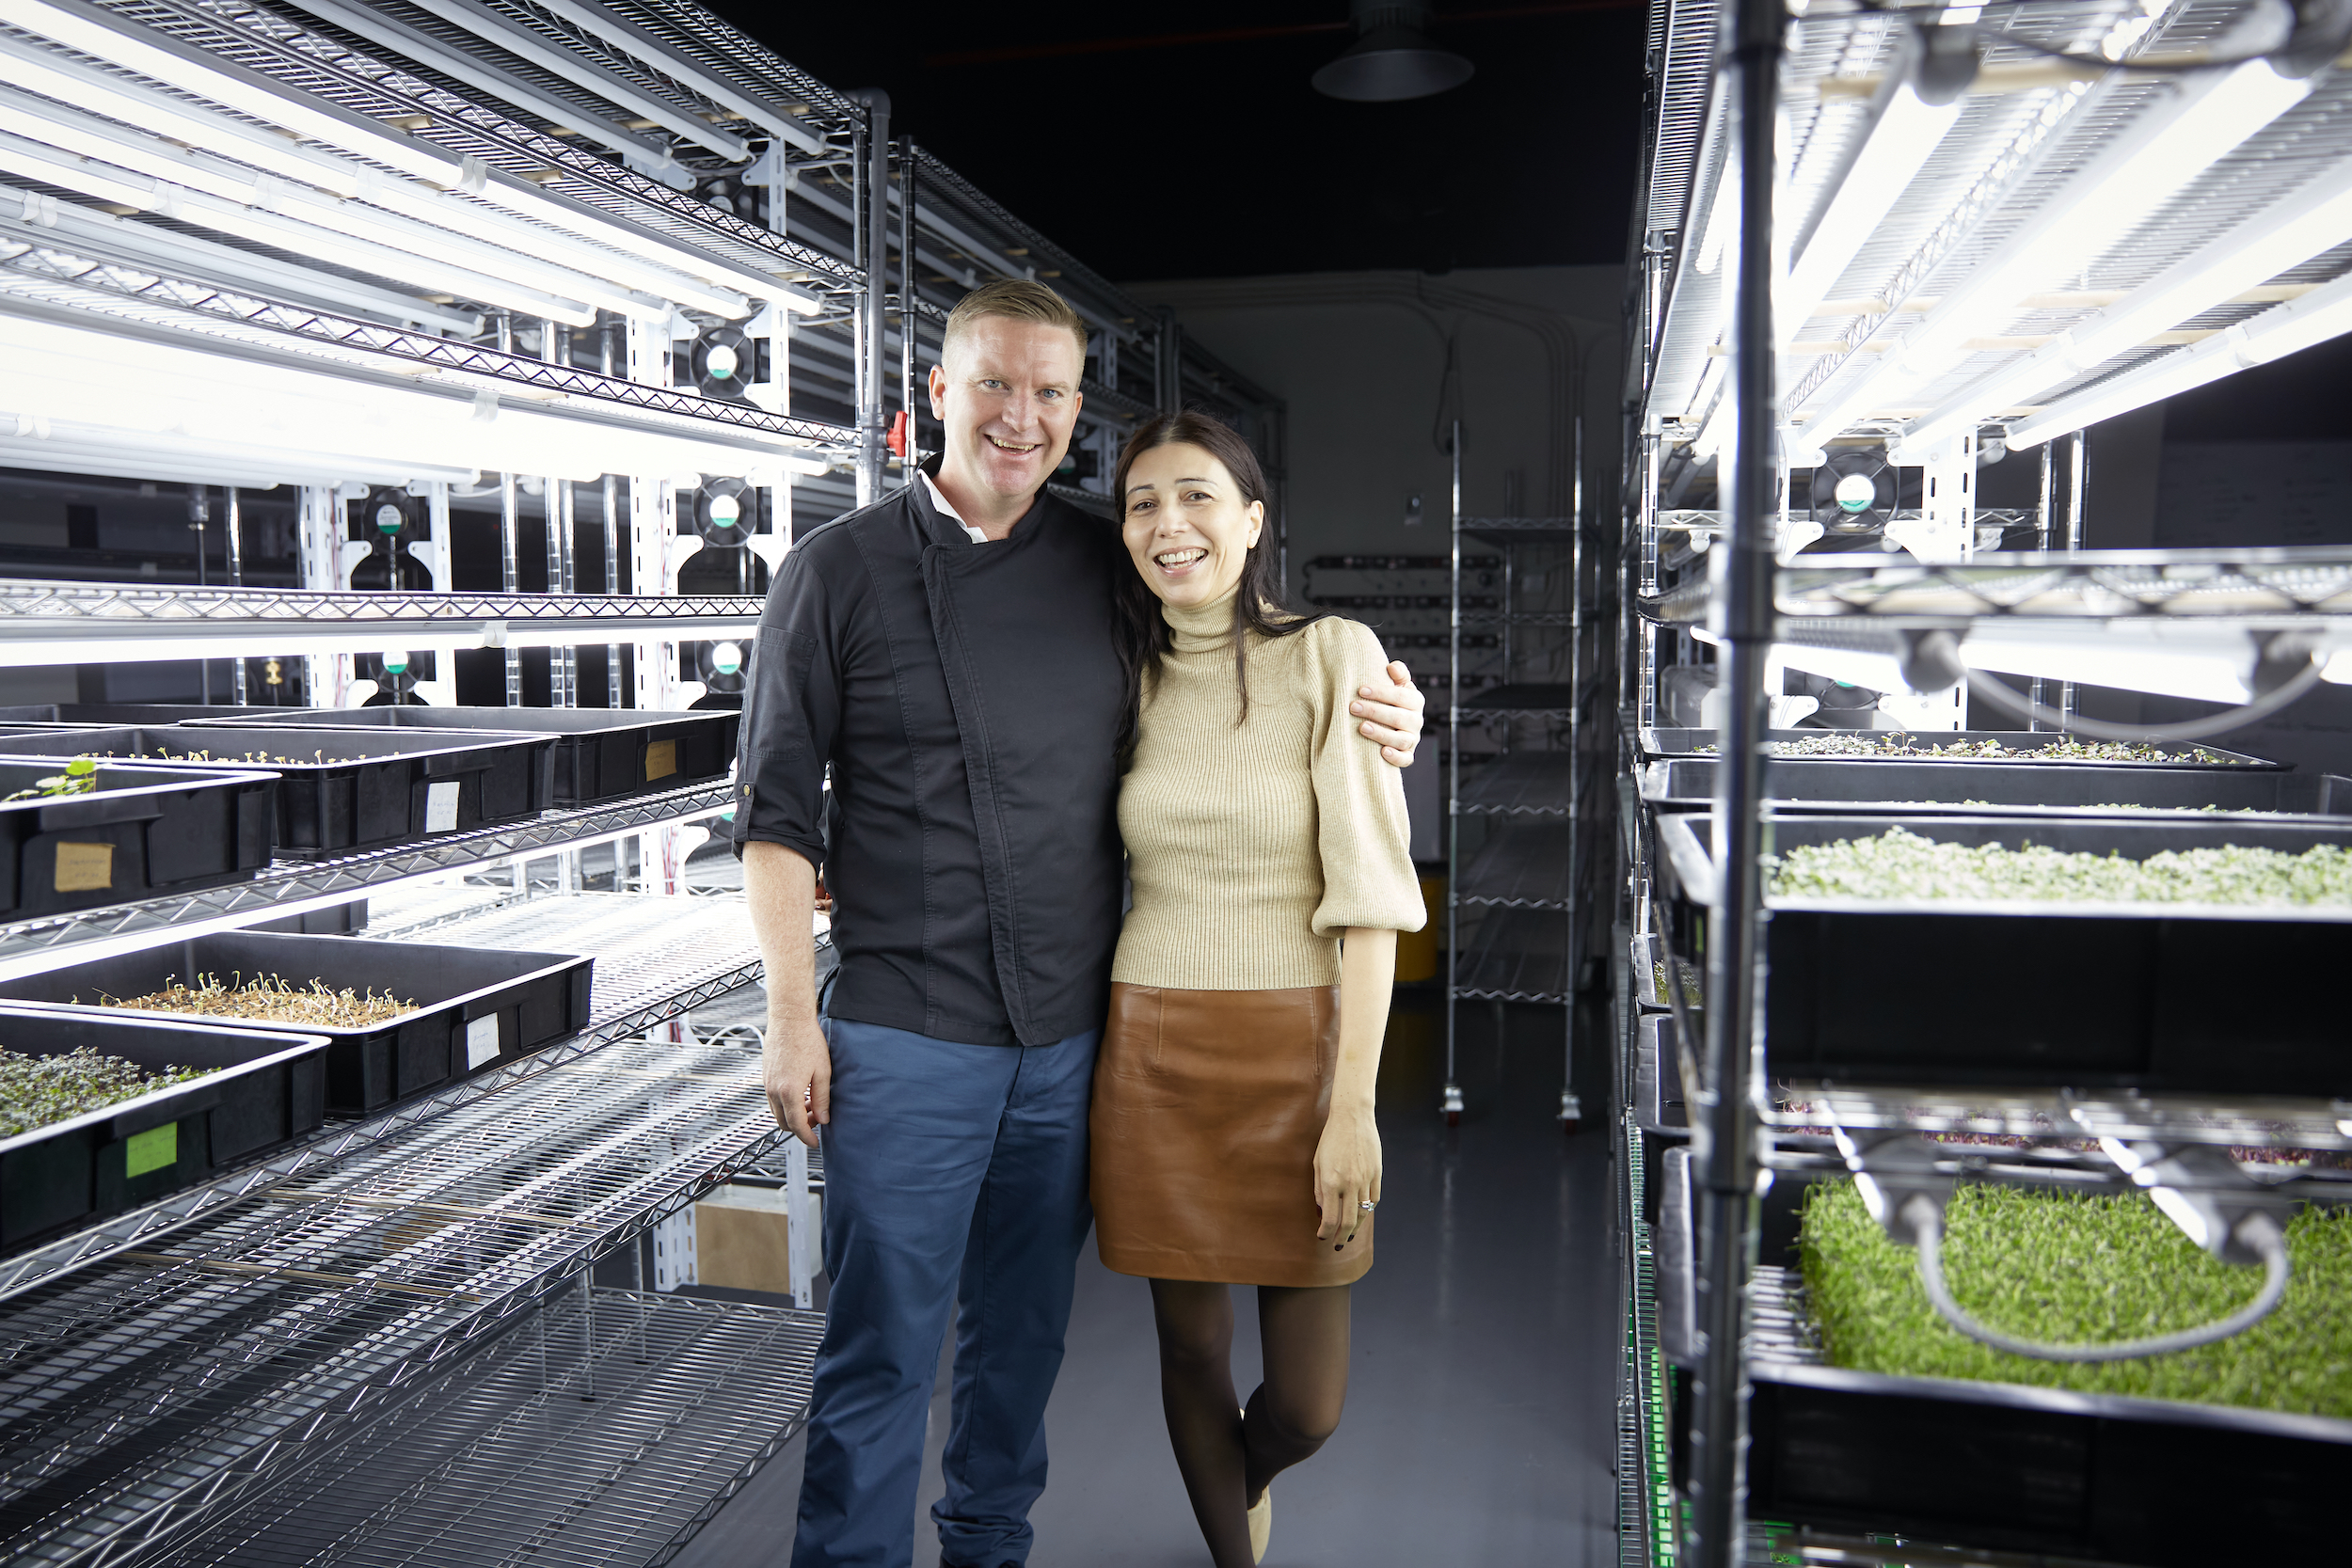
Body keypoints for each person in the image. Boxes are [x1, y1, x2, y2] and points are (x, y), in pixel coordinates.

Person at [732, 277, 1426, 1568]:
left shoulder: (1100, 568)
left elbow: (1239, 652)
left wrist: (1392, 704)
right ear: (934, 393)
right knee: (883, 1342)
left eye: (1051, 392)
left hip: (1070, 1040)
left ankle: (988, 1549)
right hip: (907, 1029)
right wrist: (786, 1017)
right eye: (994, 383)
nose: (1022, 415)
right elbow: (776, 815)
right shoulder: (832, 574)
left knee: (1021, 1346)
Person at [1090, 409, 1422, 1567]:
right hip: (1152, 1045)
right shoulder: (1115, 674)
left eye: (1196, 496)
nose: (1168, 523)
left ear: (1251, 521)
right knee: (1190, 1352)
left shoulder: (1332, 654)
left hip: (1299, 1048)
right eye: (1141, 502)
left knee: (1306, 1403)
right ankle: (1236, 1554)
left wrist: (1353, 1106)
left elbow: (1373, 899)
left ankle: (1246, 1475)